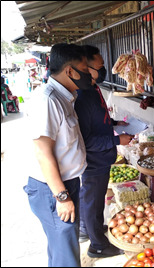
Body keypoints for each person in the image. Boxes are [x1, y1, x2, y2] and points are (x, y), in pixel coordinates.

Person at [23, 43, 91, 267]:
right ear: (70, 71)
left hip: (66, 184)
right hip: (53, 190)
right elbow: (43, 152)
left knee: (63, 248)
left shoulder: (65, 97)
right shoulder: (49, 100)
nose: (89, 73)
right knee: (66, 256)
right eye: (85, 68)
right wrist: (62, 198)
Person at [74, 45, 133, 258]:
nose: (103, 71)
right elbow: (86, 139)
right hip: (94, 160)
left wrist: (114, 123)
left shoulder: (93, 88)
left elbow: (99, 120)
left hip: (102, 157)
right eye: (99, 67)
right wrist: (117, 139)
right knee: (93, 202)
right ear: (86, 68)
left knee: (93, 200)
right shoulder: (81, 97)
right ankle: (97, 246)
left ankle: (89, 232)